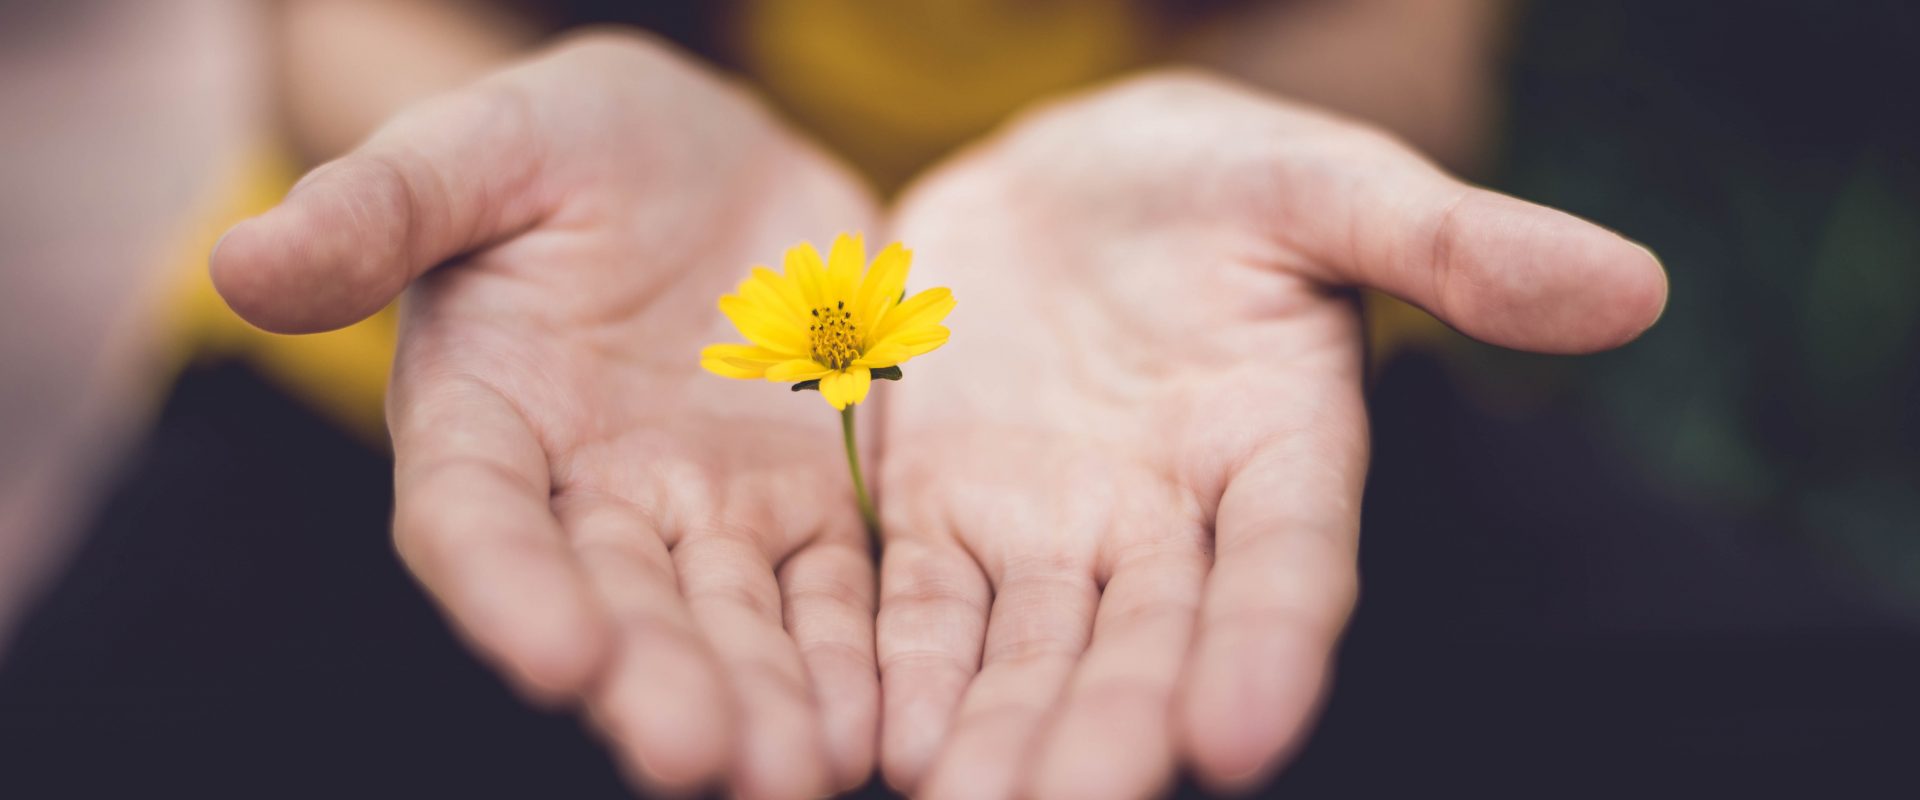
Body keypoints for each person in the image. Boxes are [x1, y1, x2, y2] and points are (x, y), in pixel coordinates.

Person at [202, 17, 1663, 800]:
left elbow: (1401, 44)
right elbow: (333, 25)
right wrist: (496, 152)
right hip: (512, 359)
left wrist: (1205, 161)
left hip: (1184, 372)